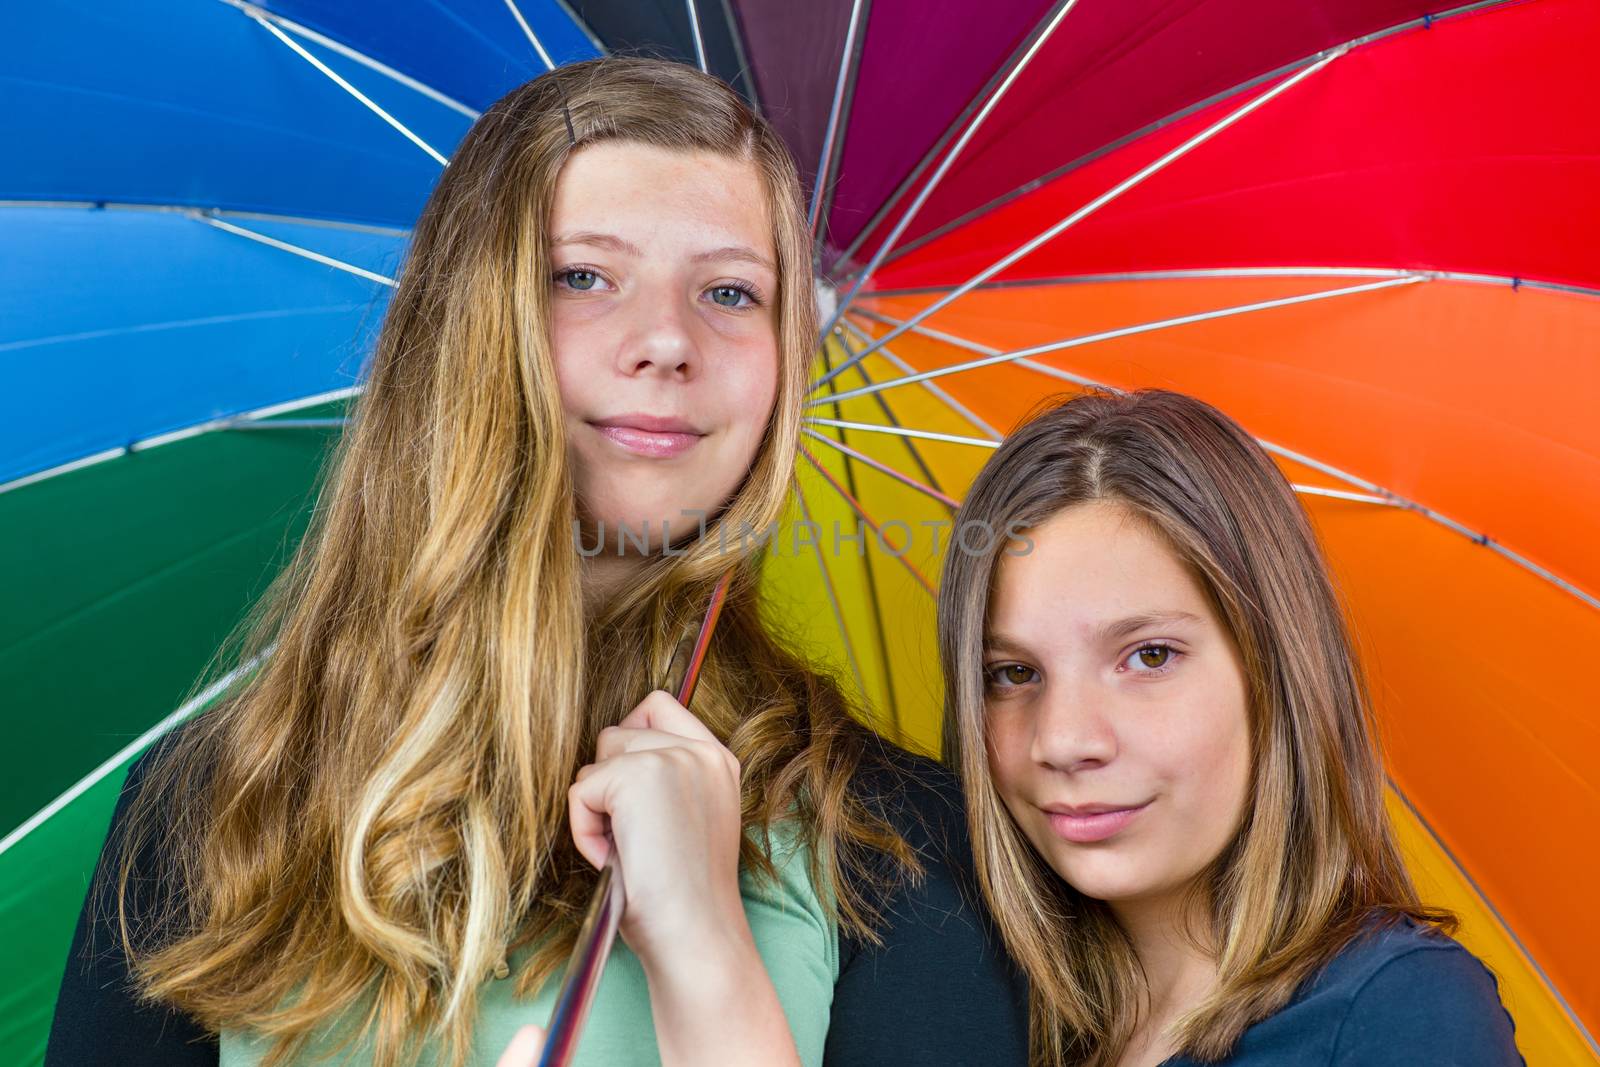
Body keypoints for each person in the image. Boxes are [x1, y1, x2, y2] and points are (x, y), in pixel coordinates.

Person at [46, 57, 1026, 1067]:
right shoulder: (220, 797)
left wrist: (707, 955)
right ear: (466, 324)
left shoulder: (900, 841)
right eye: (583, 276)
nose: (665, 340)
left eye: (731, 291)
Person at [935, 388, 1523, 1067]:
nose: (1063, 740)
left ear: (1272, 672)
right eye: (1012, 673)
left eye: (1148, 656)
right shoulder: (969, 1021)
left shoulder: (1399, 1012)